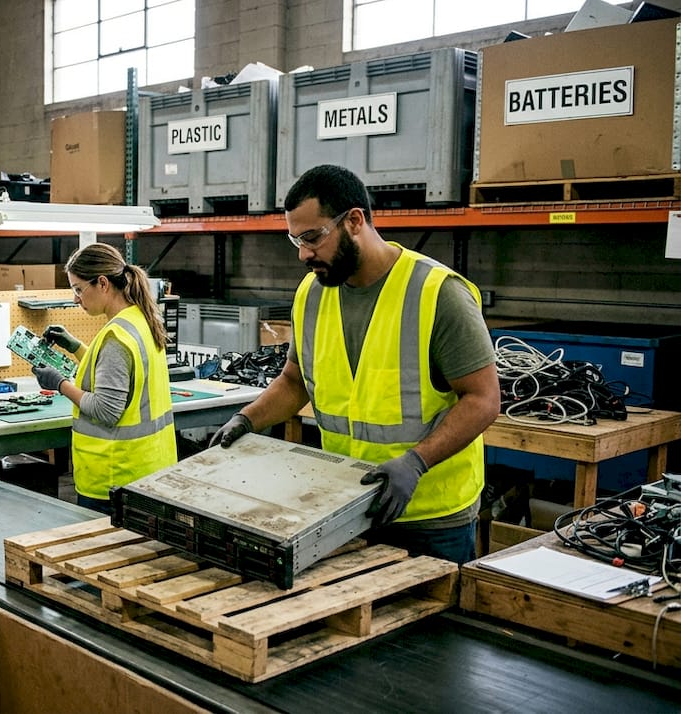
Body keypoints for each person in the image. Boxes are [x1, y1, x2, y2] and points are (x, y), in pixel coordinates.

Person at [209, 165, 499, 564]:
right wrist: (246, 419)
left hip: (428, 518)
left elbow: (483, 399)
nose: (303, 254)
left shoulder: (437, 293)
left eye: (313, 237)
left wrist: (416, 463)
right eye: (296, 240)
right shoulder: (312, 294)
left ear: (355, 221)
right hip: (345, 506)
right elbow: (294, 382)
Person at [32, 243, 177, 515]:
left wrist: (59, 384)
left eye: (78, 289)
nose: (76, 299)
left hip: (114, 477)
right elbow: (116, 373)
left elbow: (106, 409)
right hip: (149, 469)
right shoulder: (140, 320)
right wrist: (75, 346)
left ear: (102, 283)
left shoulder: (116, 337)